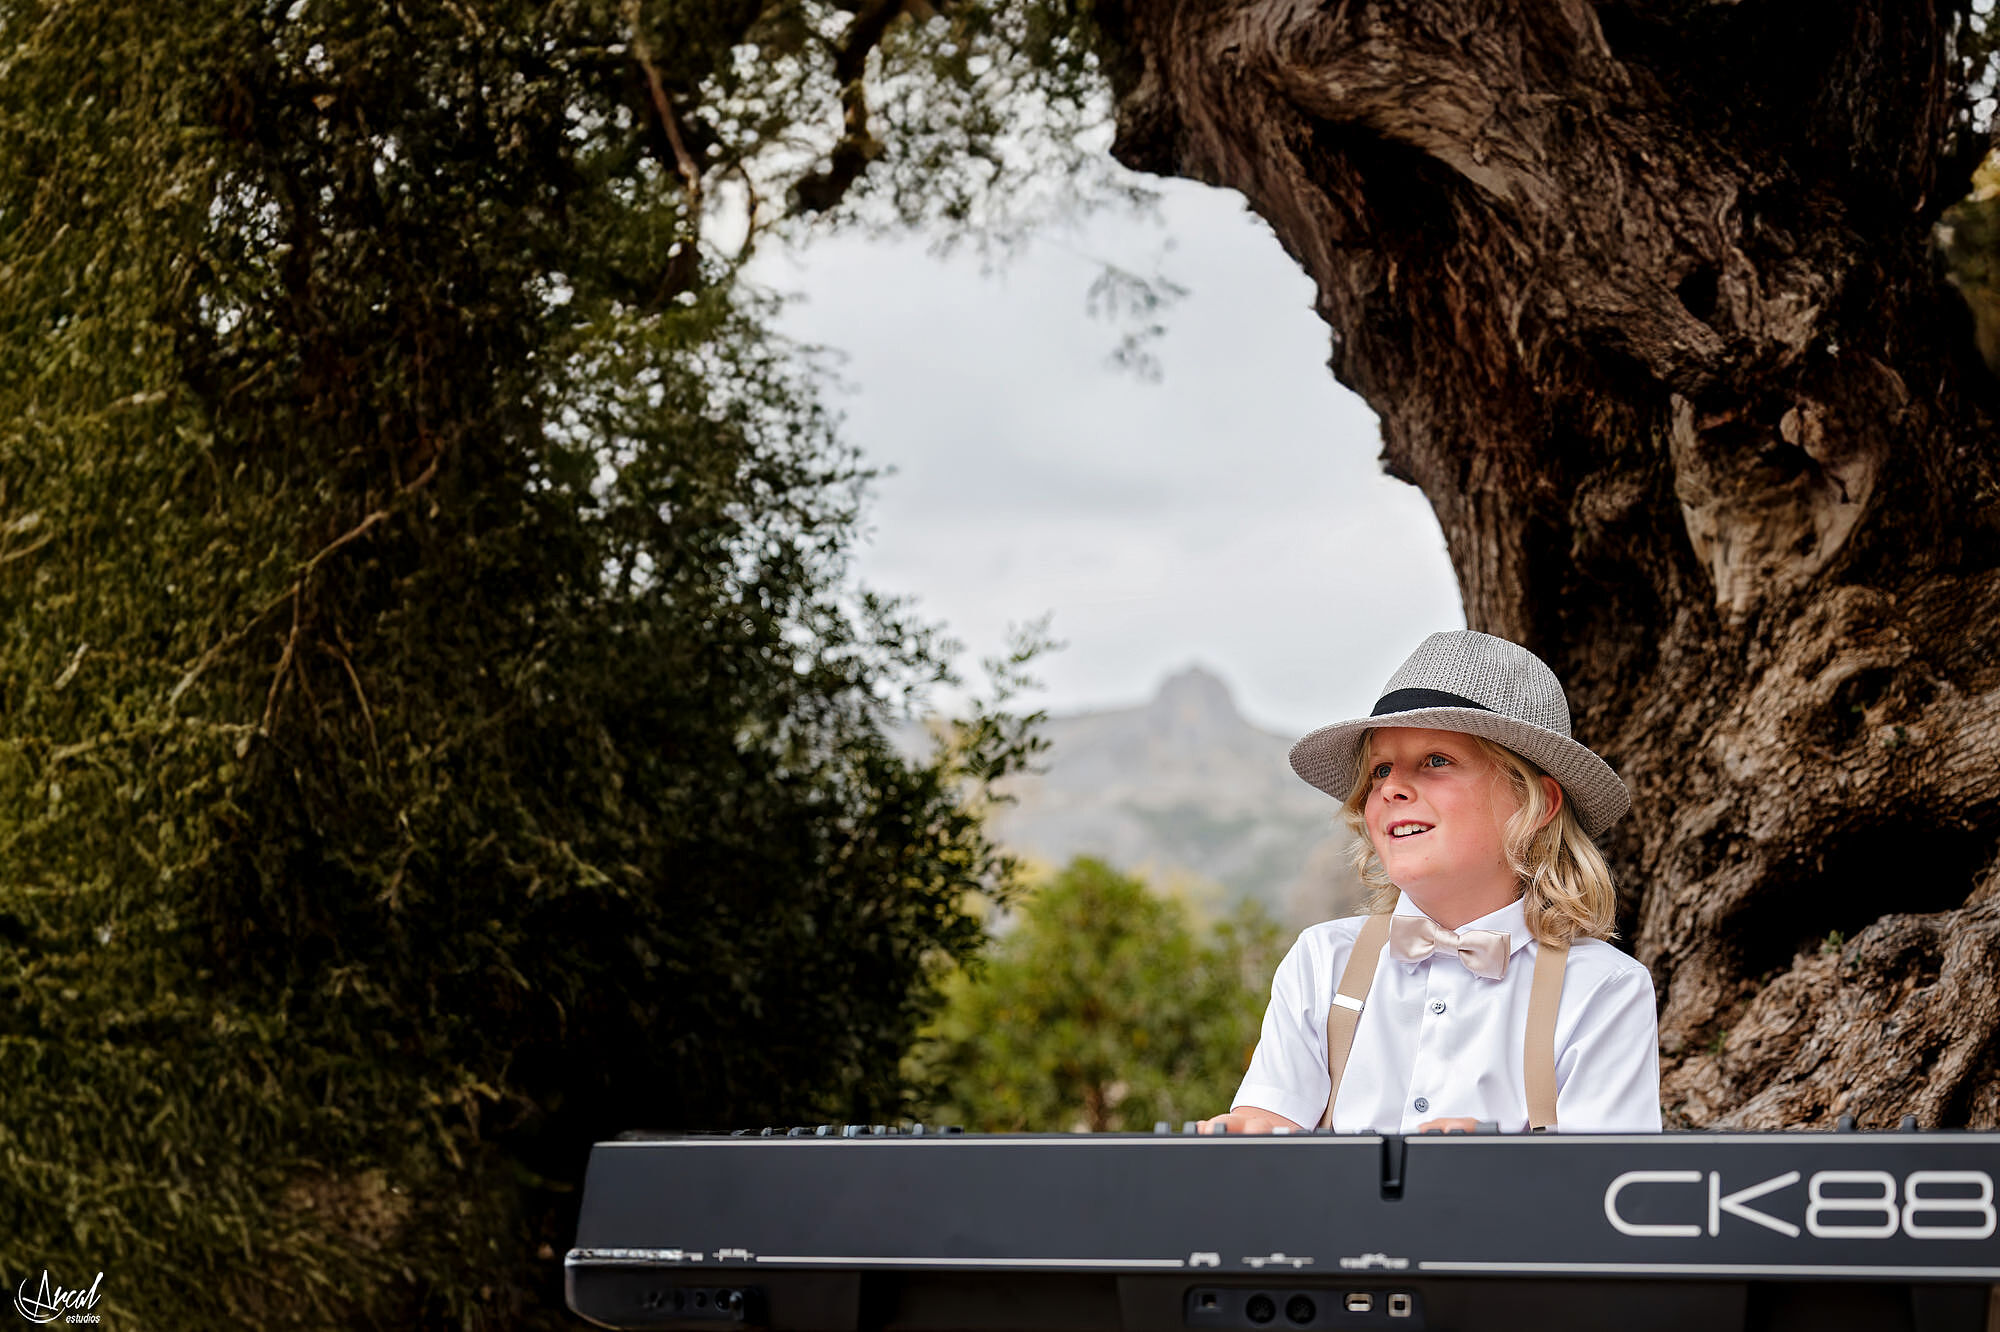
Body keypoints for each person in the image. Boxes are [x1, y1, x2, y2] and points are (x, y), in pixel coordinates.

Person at [1202, 629, 1661, 1135]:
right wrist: (1247, 1136)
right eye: (1379, 770)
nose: (1392, 787)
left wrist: (1494, 1172)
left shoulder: (1603, 988)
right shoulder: (1321, 962)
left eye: (1436, 761)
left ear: (1537, 806)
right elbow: (1267, 1129)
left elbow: (1605, 1192)